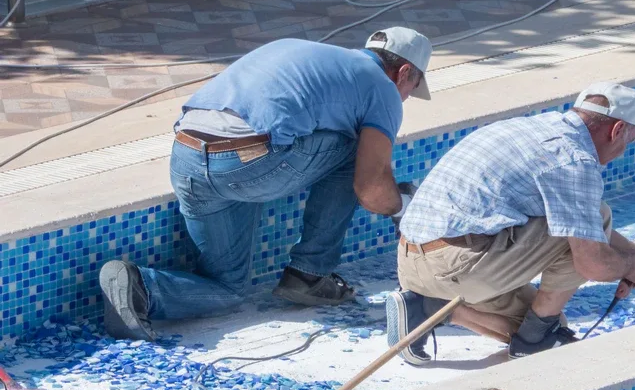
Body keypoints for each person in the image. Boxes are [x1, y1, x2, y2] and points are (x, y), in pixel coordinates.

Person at [98, 27, 432, 341]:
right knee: (355, 150)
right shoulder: (382, 87)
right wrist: (404, 207)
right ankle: (309, 274)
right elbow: (371, 188)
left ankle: (139, 285)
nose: (404, 99)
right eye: (411, 90)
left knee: (228, 289)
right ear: (403, 73)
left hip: (187, 157)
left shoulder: (302, 50)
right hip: (248, 163)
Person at [389, 81, 635, 364]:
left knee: (548, 321)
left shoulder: (529, 127)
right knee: (591, 223)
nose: (623, 152)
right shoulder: (574, 161)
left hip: (412, 262)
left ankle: (427, 308)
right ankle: (536, 337)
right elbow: (592, 262)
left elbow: (580, 223)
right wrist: (633, 267)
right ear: (618, 129)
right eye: (629, 141)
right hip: (457, 266)